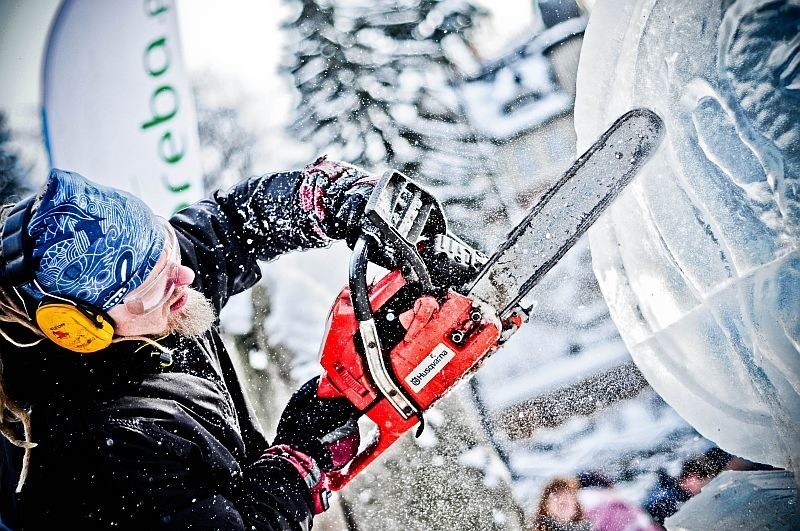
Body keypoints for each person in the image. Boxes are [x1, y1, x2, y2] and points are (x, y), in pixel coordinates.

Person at [0, 157, 377, 529]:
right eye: (152, 288)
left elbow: (232, 223)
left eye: (167, 251)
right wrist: (295, 464)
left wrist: (321, 199)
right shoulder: (102, 453)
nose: (185, 276)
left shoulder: (151, 292)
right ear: (80, 327)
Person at [642, 453, 717, 527]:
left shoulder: (681, 494)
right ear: (689, 477)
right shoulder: (666, 498)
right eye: (701, 480)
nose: (703, 487)